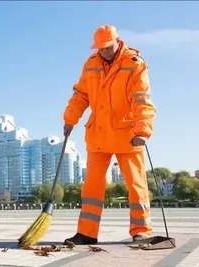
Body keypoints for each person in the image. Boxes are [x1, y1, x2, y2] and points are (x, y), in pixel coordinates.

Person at [62, 25, 156, 245]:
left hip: (127, 134)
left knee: (136, 184)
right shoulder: (90, 64)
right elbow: (80, 95)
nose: (103, 51)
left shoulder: (134, 64)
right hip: (98, 134)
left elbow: (142, 100)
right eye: (100, 48)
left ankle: (141, 230)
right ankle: (86, 233)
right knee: (92, 186)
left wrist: (142, 131)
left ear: (117, 41)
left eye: (107, 47)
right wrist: (70, 120)